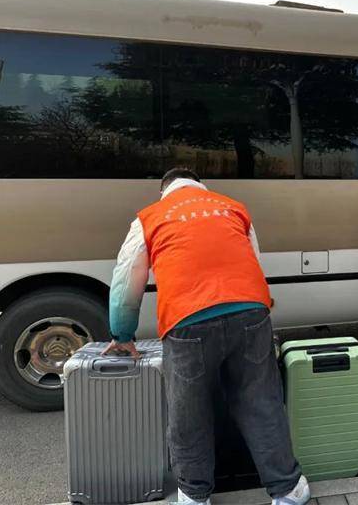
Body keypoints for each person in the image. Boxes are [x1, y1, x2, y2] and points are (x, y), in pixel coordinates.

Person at [103, 168, 309, 505]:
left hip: (187, 320)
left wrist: (122, 333)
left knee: (189, 412)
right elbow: (253, 261)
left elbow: (127, 281)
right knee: (261, 401)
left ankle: (195, 495)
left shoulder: (150, 217)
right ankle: (288, 489)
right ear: (202, 186)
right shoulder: (232, 207)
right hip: (250, 312)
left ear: (164, 191)